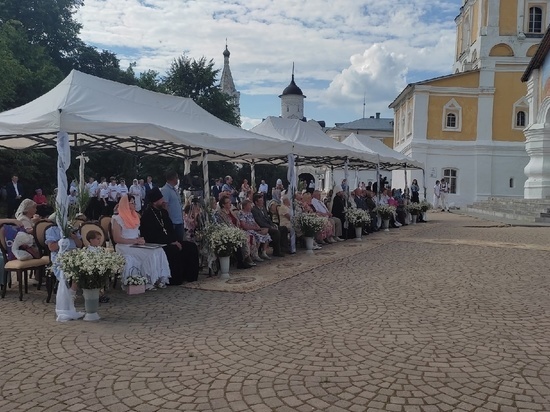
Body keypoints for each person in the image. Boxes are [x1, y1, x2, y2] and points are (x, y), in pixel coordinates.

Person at [140, 188, 200, 284]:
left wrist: (175, 240)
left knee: (191, 246)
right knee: (173, 250)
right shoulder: (147, 216)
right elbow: (152, 235)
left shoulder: (163, 213)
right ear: (155, 202)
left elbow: (170, 230)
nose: (163, 201)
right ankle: (175, 279)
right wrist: (171, 242)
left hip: (170, 240)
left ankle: (190, 276)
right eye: (161, 200)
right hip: (158, 243)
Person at [111, 194, 171, 289]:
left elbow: (137, 233)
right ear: (126, 204)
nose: (134, 204)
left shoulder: (135, 216)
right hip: (124, 247)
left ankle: (159, 278)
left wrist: (140, 239)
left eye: (135, 202)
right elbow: (117, 239)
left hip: (135, 244)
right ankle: (148, 281)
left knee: (159, 250)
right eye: (132, 202)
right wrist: (134, 241)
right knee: (148, 254)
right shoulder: (117, 219)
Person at [214, 195, 254, 268]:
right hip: (227, 232)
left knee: (247, 236)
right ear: (223, 204)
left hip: (236, 230)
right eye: (228, 202)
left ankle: (246, 258)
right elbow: (222, 225)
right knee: (241, 239)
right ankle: (242, 261)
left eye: (230, 202)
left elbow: (236, 220)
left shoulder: (230, 211)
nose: (230, 203)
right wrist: (234, 230)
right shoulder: (220, 213)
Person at [251, 192, 289, 257]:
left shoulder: (263, 208)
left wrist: (273, 225)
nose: (262, 202)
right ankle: (277, 251)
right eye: (260, 201)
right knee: (276, 232)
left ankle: (284, 248)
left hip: (269, 225)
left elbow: (268, 219)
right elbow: (259, 222)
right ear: (256, 202)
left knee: (283, 228)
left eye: (262, 200)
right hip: (262, 227)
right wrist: (270, 227)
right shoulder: (254, 210)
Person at [86, 230, 110, 303]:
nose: (100, 241)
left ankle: (102, 294)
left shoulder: (99, 249)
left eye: (100, 239)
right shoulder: (89, 250)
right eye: (98, 239)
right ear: (91, 240)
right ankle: (98, 295)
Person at [160, 170, 184, 241]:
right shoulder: (165, 190)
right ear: (173, 178)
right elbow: (165, 206)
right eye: (177, 178)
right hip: (173, 222)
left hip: (179, 221)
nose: (177, 179)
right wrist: (168, 221)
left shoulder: (174, 189)